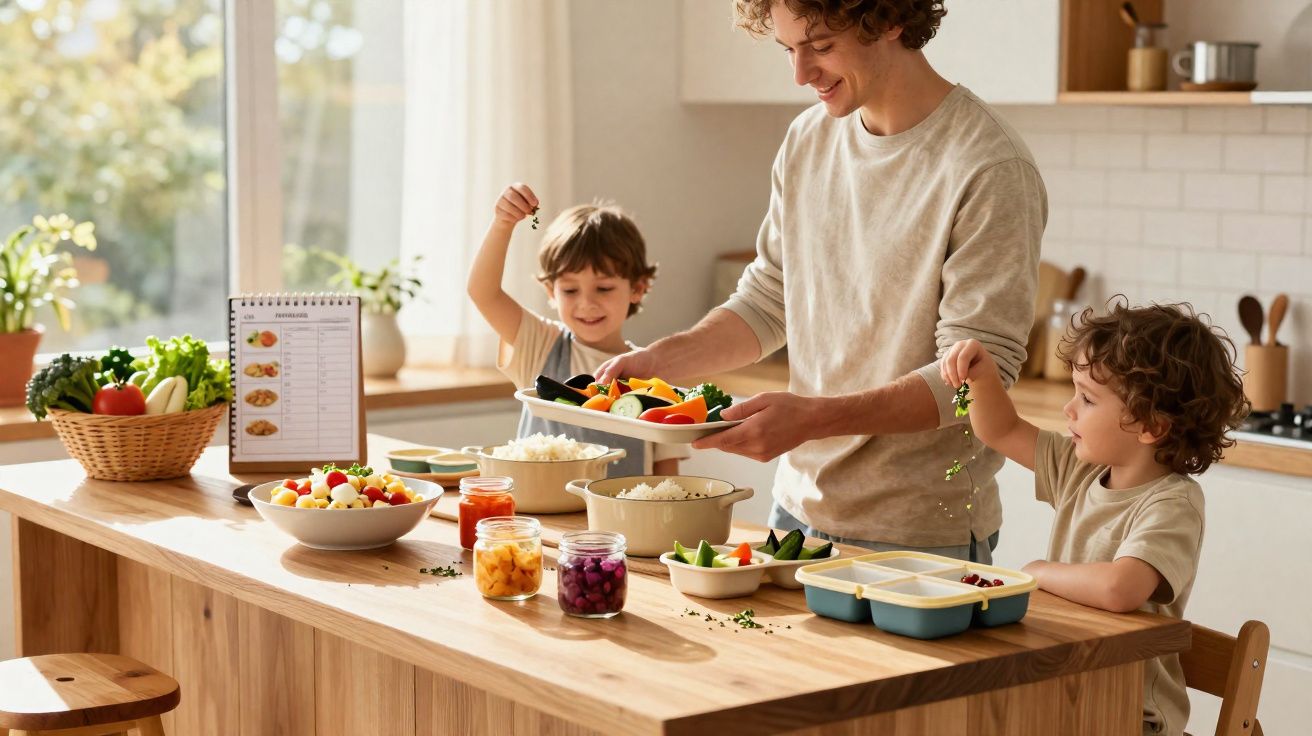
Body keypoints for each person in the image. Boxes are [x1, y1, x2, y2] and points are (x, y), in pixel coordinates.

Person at [598, 0, 1046, 560]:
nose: (800, 73)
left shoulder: (988, 166)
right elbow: (769, 301)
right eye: (789, 49)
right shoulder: (808, 138)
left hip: (923, 529)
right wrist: (662, 361)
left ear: (888, 20)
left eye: (821, 46)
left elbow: (977, 382)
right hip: (796, 512)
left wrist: (813, 418)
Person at [940, 300, 1248, 736]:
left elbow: (1122, 588)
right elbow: (1002, 429)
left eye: (1086, 398)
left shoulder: (1172, 504)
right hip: (1068, 689)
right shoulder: (1080, 469)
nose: (1069, 410)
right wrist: (983, 376)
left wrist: (1037, 573)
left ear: (1150, 426)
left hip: (1130, 713)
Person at [467, 183, 686, 476]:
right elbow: (483, 292)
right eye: (570, 290)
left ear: (637, 288)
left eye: (604, 288)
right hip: (540, 519)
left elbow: (666, 474)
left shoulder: (654, 373)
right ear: (550, 291)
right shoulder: (541, 344)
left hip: (620, 520)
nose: (587, 303)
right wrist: (503, 224)